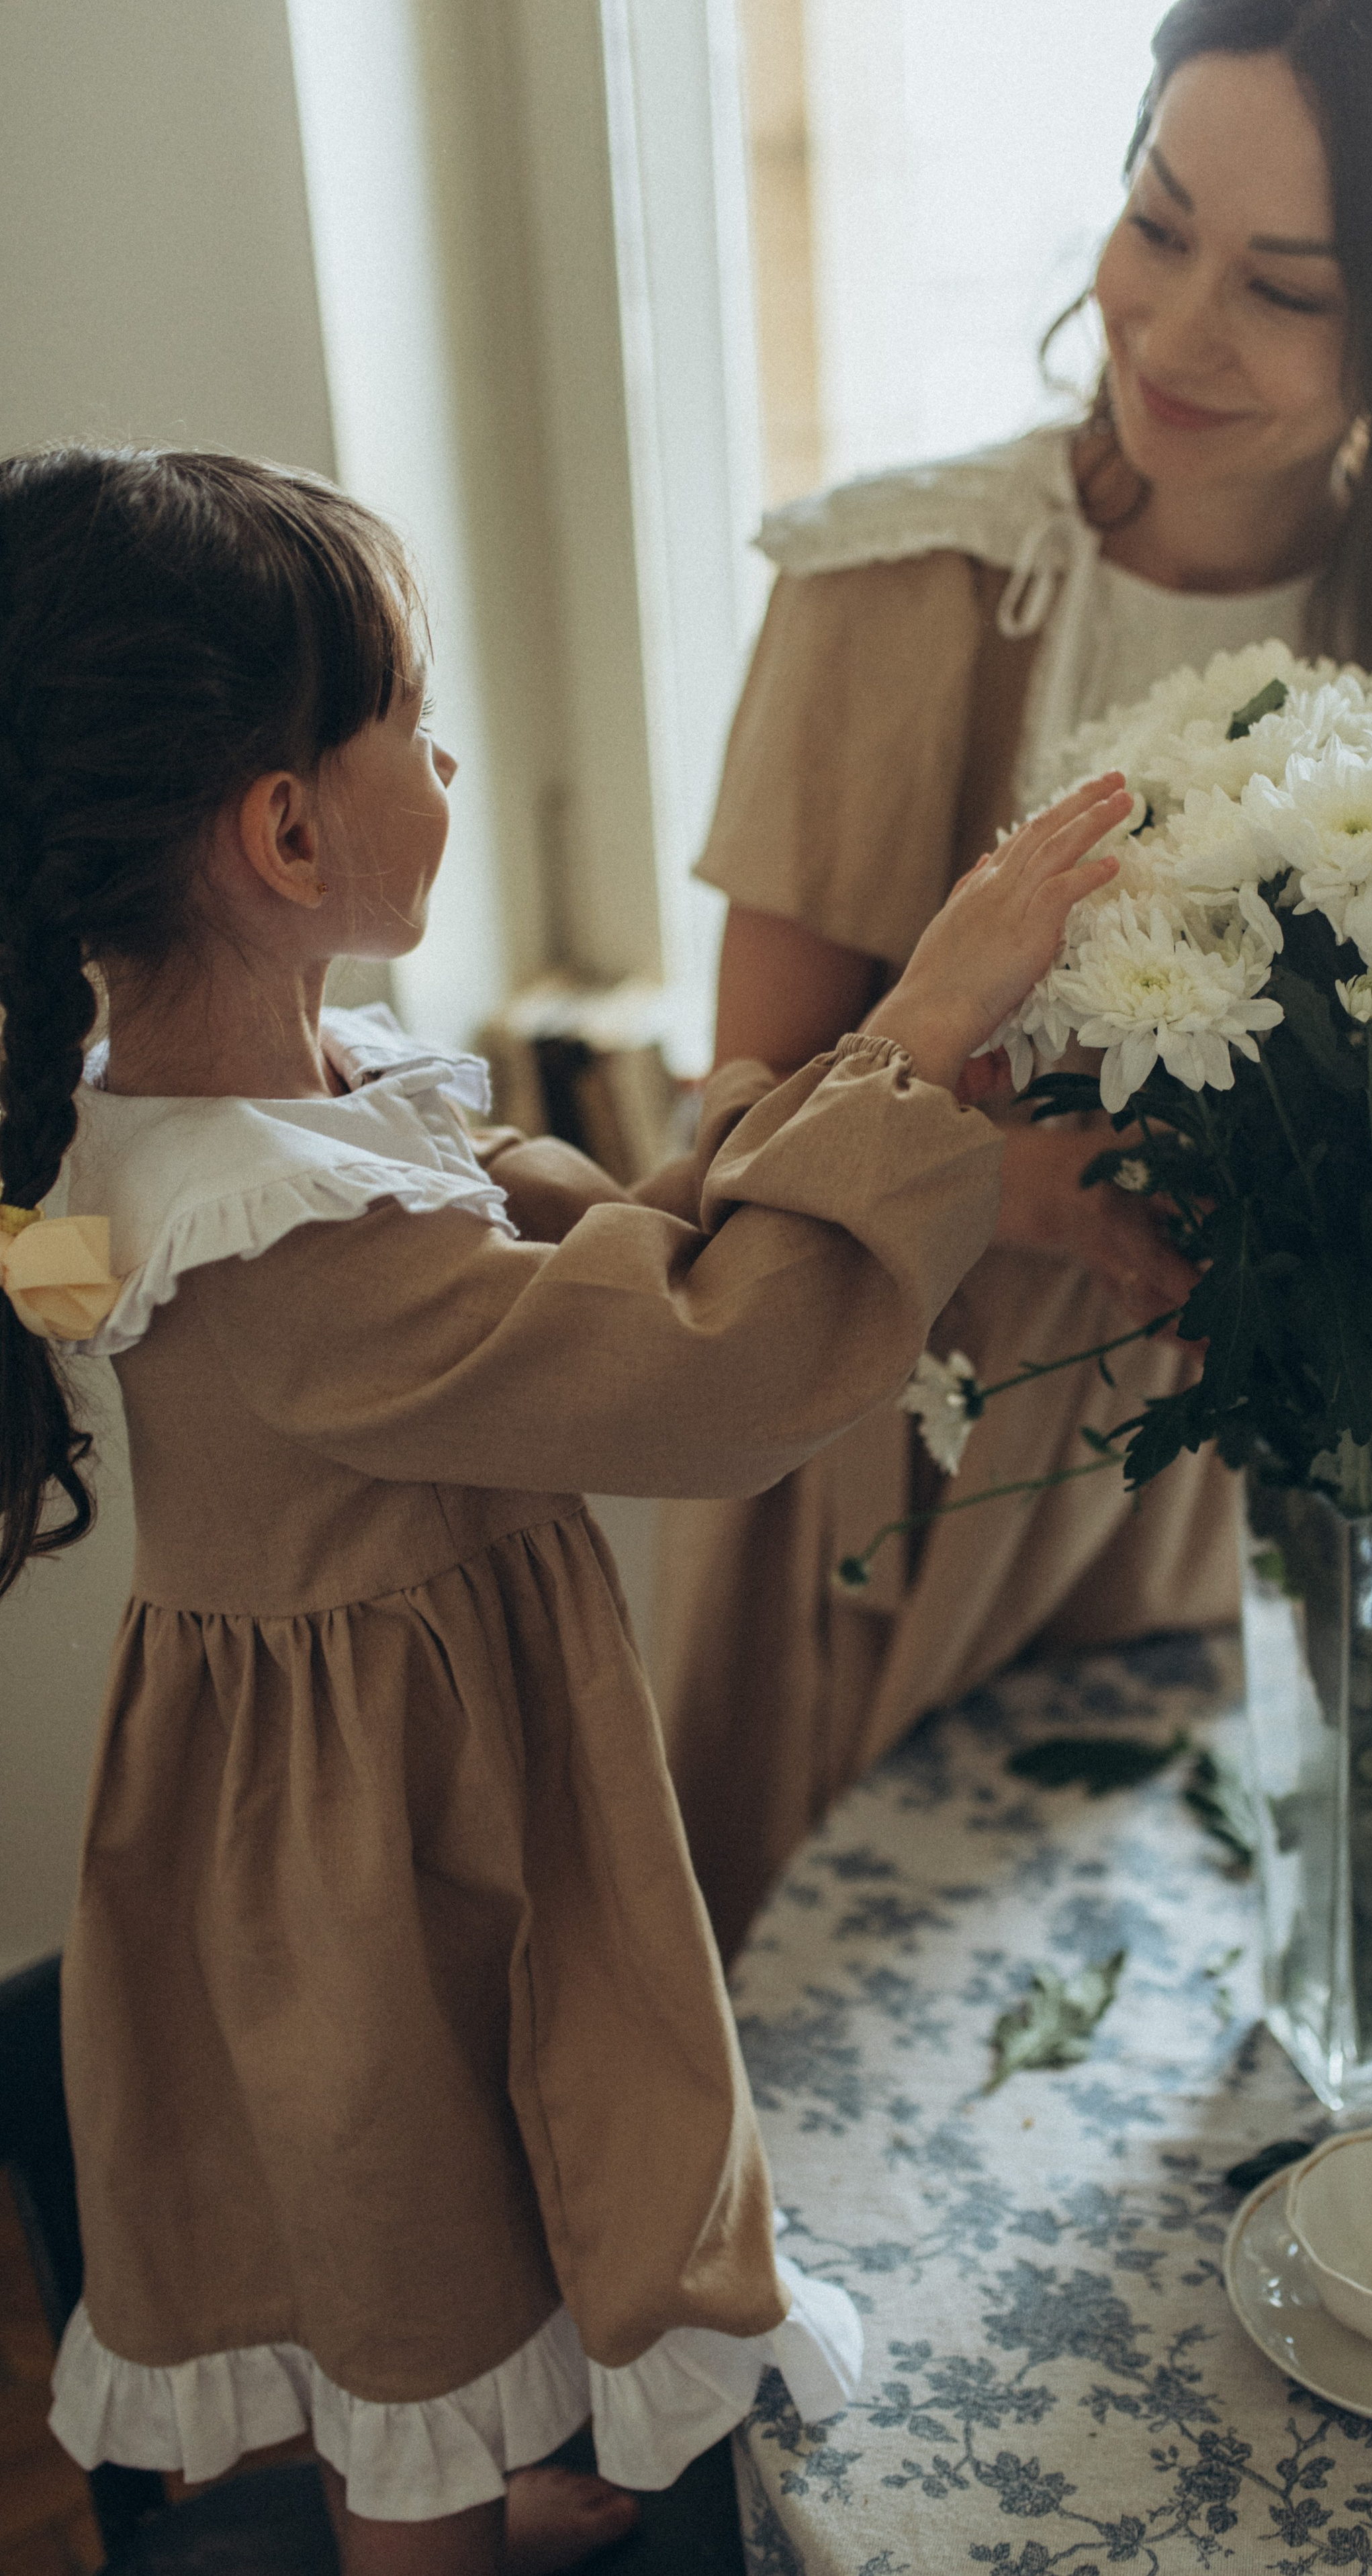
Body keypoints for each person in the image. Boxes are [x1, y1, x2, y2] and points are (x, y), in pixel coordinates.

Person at [0, 444, 1128, 2575]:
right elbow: (712, 1370)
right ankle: (431, 2512)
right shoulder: (272, 1237)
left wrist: (873, 1073)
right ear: (287, 827)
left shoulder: (313, 1097)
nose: (448, 756)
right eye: (413, 722)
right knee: (399, 2289)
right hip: (349, 1864)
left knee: (483, 2193)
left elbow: (627, 1257)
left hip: (428, 1787)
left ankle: (481, 2453)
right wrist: (926, 1025)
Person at [655, 0, 1372, 1959]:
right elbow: (730, 1127)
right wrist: (1032, 1186)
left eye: (1284, 288)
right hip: (909, 1479)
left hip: (1267, 1503)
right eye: (1157, 223)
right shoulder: (901, 584)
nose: (1174, 327)